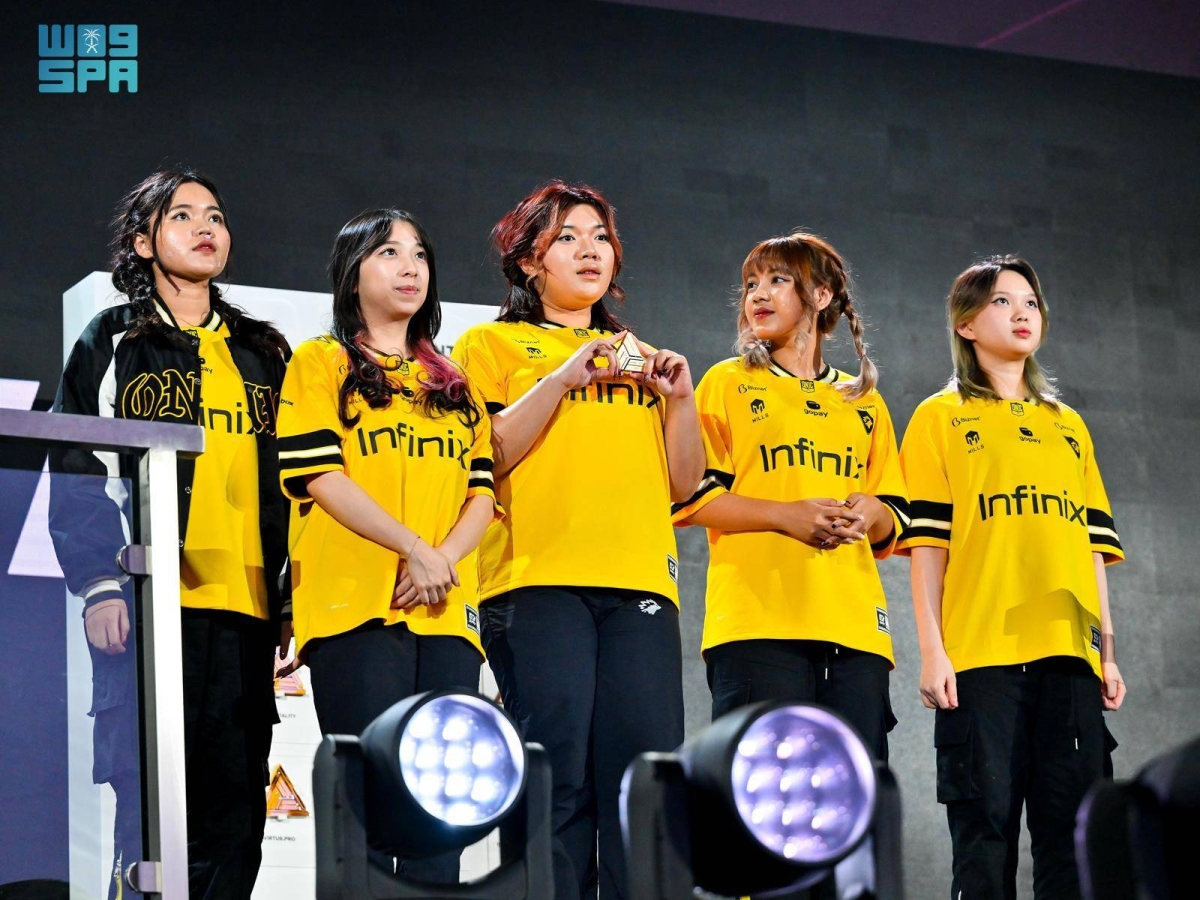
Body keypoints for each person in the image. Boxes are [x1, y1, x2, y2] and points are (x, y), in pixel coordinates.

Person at [451, 180, 704, 900]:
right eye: (566, 237)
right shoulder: (489, 343)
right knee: (553, 774)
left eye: (599, 236)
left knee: (642, 783)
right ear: (529, 260)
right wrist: (561, 379)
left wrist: (681, 399)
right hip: (536, 581)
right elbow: (484, 453)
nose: (589, 250)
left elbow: (684, 483)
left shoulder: (642, 357)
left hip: (641, 586)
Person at [50, 168, 290, 899]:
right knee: (152, 820)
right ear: (143, 242)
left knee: (238, 822)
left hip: (247, 614)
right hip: (153, 611)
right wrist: (100, 583)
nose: (204, 227)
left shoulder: (264, 351)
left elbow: (298, 484)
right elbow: (76, 465)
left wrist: (289, 598)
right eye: (181, 215)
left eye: (214, 215)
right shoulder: (114, 338)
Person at [275, 208, 496, 883]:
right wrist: (415, 550)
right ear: (352, 275)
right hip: (354, 611)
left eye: (419, 254)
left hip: (446, 613)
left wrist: (441, 561)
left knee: (441, 817)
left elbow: (483, 494)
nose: (410, 267)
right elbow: (320, 478)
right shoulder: (321, 362)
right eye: (389, 253)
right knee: (364, 813)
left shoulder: (455, 383)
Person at [897, 255, 1126, 900]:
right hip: (981, 659)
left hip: (1069, 658)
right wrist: (933, 651)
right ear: (966, 324)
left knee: (1072, 841)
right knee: (983, 836)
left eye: (1030, 301)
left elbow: (1091, 551)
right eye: (1002, 301)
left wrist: (1107, 653)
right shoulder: (939, 417)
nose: (1022, 313)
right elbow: (928, 547)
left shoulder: (1068, 425)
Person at [673, 231, 907, 762]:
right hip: (757, 627)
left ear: (821, 295)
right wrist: (786, 517)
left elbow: (893, 516)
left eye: (777, 279)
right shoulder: (726, 382)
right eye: (751, 284)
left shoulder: (864, 401)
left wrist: (871, 512)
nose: (758, 294)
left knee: (852, 799)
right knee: (758, 800)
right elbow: (692, 498)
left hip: (856, 634)